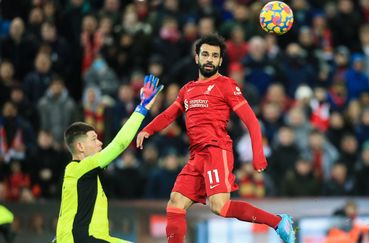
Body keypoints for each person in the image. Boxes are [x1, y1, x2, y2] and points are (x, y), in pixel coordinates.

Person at [136, 34, 295, 243]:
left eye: (214, 56)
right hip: (196, 156)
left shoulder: (226, 85)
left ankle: (277, 222)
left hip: (216, 150)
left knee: (220, 206)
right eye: (205, 54)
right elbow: (169, 114)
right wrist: (147, 129)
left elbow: (252, 122)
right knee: (175, 203)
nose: (209, 59)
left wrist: (258, 155)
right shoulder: (187, 90)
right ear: (197, 58)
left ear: (220, 61)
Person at [56, 74, 163, 243]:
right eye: (94, 139)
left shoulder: (79, 174)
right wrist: (142, 108)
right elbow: (119, 144)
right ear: (80, 147)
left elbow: (68, 211)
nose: (100, 143)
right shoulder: (81, 168)